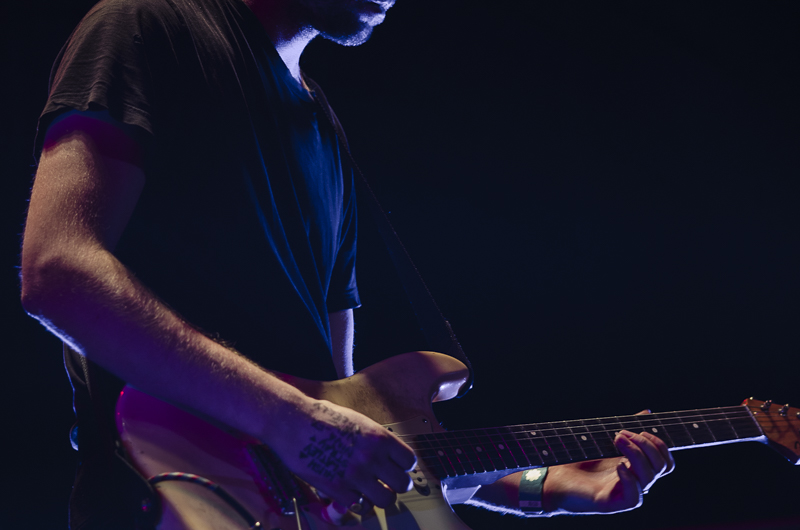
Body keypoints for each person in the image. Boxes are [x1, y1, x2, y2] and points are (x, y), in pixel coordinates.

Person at [20, 0, 674, 527]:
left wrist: (543, 486)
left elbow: (347, 418)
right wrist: (287, 420)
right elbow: (58, 271)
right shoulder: (144, 25)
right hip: (157, 496)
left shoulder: (321, 125)